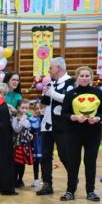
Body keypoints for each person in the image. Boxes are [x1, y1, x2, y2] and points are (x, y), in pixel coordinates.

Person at [58, 66, 102, 202]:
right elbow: (64, 114)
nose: (84, 78)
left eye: (87, 76)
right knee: (73, 162)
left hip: (93, 133)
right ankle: (70, 191)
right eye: (82, 76)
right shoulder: (71, 94)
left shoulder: (98, 92)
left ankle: (90, 191)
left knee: (90, 162)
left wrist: (97, 118)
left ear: (91, 77)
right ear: (77, 77)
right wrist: (73, 117)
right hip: (73, 133)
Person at [38, 58, 73, 195]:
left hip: (62, 125)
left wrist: (51, 93)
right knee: (45, 156)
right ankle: (47, 184)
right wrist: (44, 96)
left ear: (58, 67)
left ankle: (73, 179)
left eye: (51, 68)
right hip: (47, 125)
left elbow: (68, 99)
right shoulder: (51, 83)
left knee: (65, 155)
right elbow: (45, 103)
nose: (49, 70)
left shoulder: (70, 82)